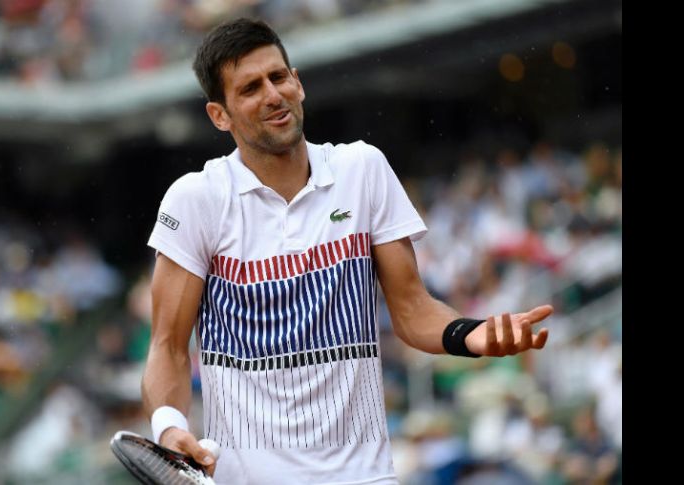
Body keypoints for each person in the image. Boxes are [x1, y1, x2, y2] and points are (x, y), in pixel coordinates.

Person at [142, 17, 552, 485]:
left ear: (298, 83)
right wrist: (169, 425)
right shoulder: (195, 200)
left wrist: (468, 334)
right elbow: (168, 347)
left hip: (365, 476)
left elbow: (413, 309)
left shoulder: (363, 169)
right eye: (250, 88)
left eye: (278, 77)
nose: (273, 95)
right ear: (220, 115)